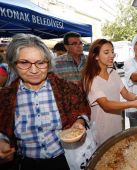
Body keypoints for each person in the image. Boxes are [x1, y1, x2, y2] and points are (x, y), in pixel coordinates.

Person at [0, 34, 91, 170]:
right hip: (26, 164)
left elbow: (82, 110)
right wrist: (2, 142)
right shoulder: (6, 97)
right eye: (24, 62)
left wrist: (80, 121)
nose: (34, 70)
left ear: (48, 62)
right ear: (13, 63)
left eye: (41, 62)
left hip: (65, 160)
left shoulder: (67, 89)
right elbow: (3, 127)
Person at [82, 38, 137, 146]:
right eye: (106, 52)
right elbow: (106, 105)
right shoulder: (91, 79)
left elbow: (126, 94)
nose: (111, 55)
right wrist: (133, 104)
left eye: (112, 51)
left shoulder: (113, 73)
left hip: (116, 124)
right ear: (96, 56)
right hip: (101, 128)